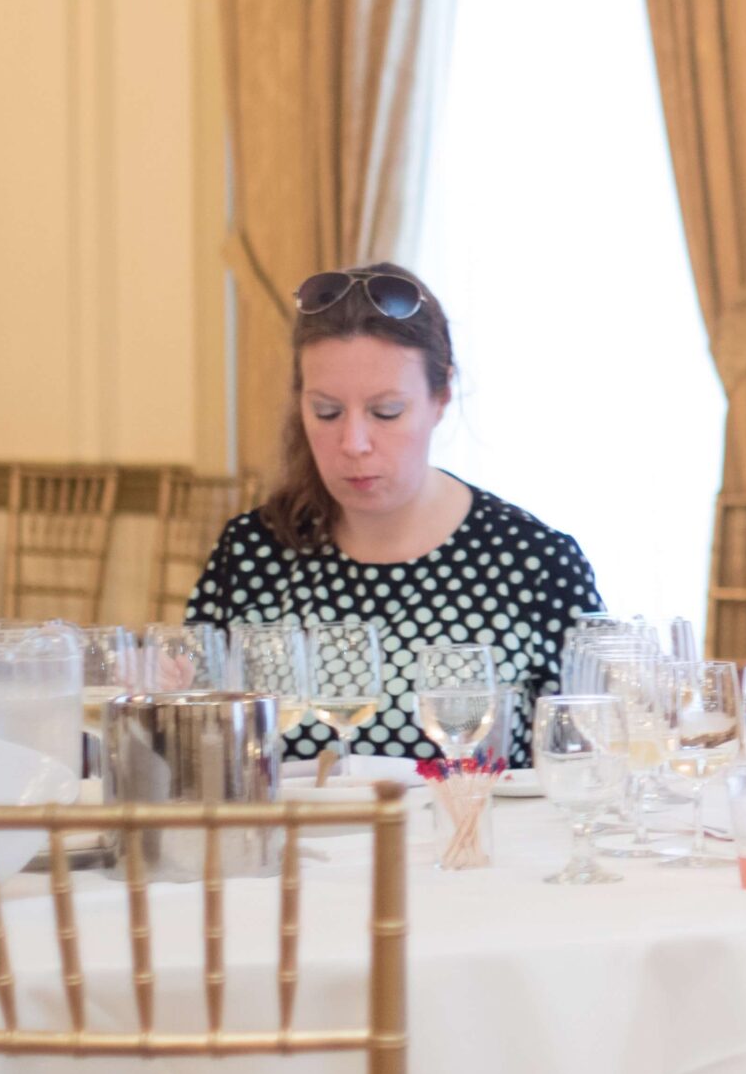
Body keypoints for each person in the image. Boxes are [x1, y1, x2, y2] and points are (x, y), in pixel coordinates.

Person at [185, 263, 602, 768]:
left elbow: (592, 768)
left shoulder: (536, 562)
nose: (354, 443)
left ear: (440, 397)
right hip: (293, 826)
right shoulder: (252, 553)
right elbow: (195, 759)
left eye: (386, 412)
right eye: (326, 412)